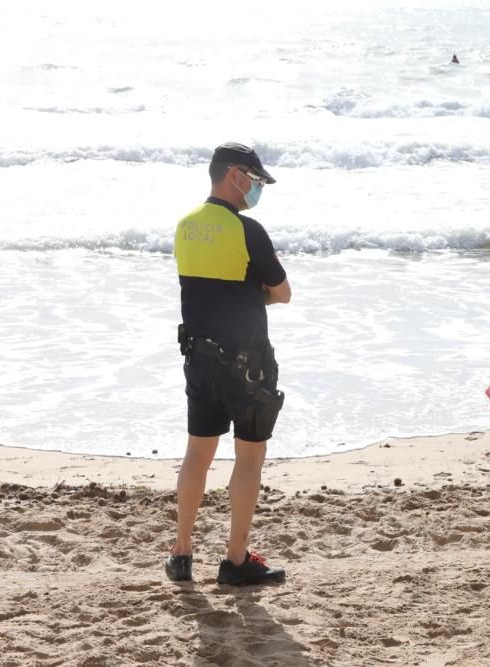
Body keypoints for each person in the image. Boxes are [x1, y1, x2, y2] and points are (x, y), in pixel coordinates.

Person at [165, 142, 292, 586]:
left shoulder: (184, 226)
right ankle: (235, 559)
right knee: (249, 457)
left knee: (198, 452)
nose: (256, 188)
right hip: (248, 362)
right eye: (255, 180)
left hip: (198, 358)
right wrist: (247, 292)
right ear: (235, 175)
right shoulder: (248, 230)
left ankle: (181, 552)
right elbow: (282, 293)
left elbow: (201, 289)